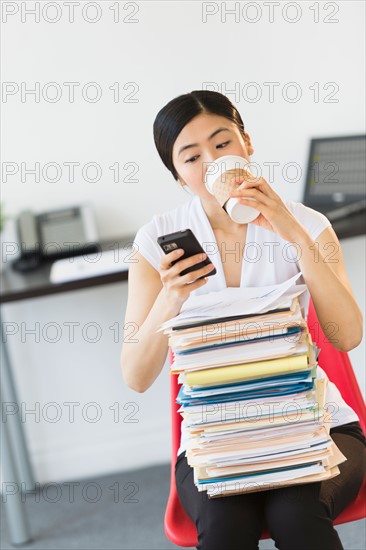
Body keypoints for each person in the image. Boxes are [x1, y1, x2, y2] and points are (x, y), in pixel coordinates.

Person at [121, 90, 366, 550]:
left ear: (246, 144)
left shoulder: (307, 224)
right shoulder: (156, 242)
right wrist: (171, 296)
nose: (212, 161)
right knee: (227, 527)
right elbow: (135, 376)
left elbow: (347, 335)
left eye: (222, 143)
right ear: (178, 175)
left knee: (296, 515)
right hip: (217, 436)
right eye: (191, 157)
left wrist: (291, 232)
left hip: (316, 424)